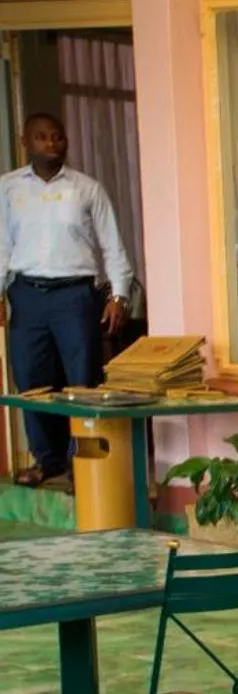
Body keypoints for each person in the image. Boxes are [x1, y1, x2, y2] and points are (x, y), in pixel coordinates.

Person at [0, 113, 135, 487]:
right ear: (25, 141)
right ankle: (49, 460)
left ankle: (85, 465)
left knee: (82, 381)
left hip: (77, 295)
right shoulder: (8, 189)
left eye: (58, 137)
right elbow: (2, 246)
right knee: (31, 381)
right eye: (42, 137)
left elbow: (112, 244)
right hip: (27, 295)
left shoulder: (87, 188)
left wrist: (119, 295)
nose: (51, 144)